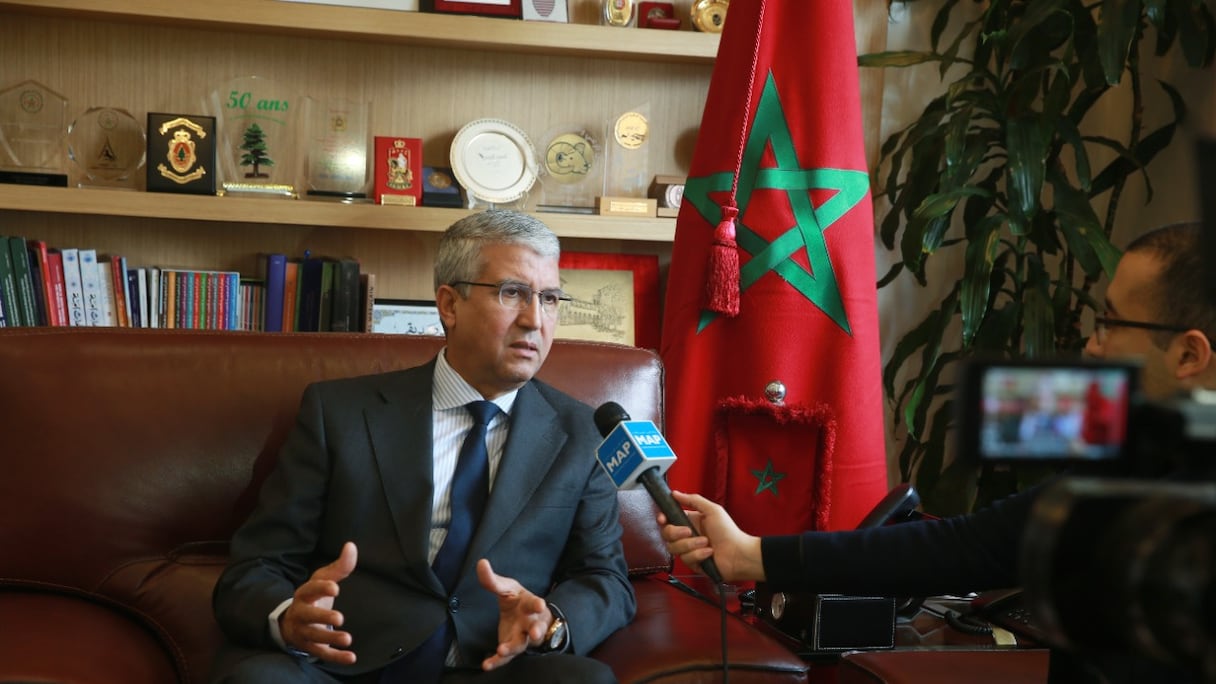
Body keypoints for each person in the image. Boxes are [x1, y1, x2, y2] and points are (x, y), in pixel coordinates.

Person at [658, 220, 1216, 598]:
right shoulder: (1136, 456)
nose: (1093, 345)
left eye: (1111, 323)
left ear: (1189, 353)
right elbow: (967, 546)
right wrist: (750, 555)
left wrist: (752, 557)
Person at [211, 210, 634, 683]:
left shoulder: (583, 433)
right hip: (349, 664)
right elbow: (258, 564)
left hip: (494, 665)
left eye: (550, 298)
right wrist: (289, 615)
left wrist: (551, 623)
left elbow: (605, 578)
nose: (535, 320)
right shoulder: (341, 413)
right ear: (449, 305)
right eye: (512, 293)